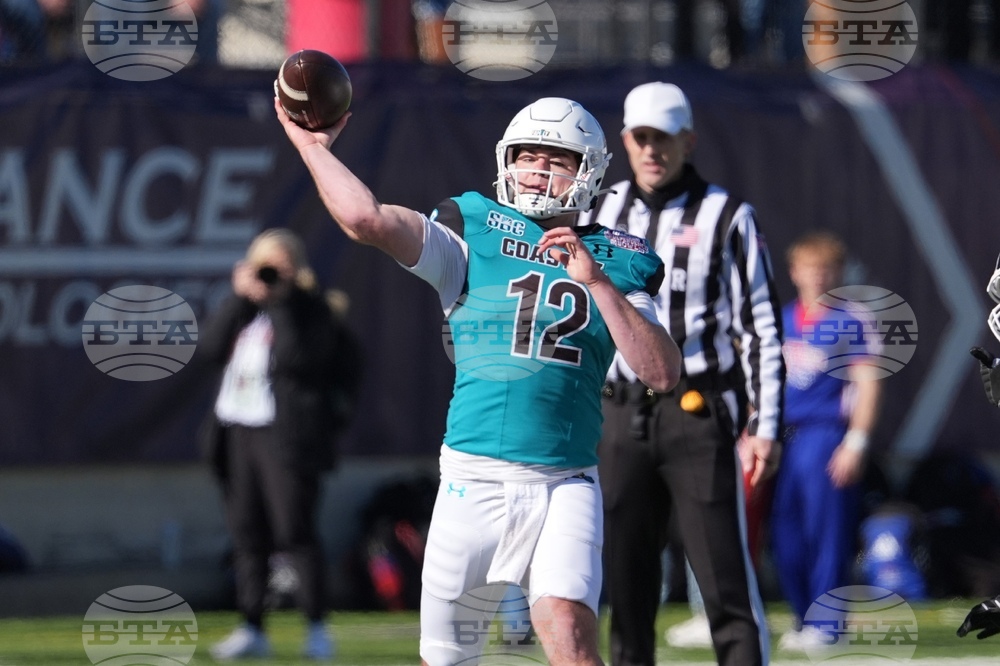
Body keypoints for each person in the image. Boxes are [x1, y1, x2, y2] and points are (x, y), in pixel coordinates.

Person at [274, 93, 681, 666]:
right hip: (472, 479)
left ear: (589, 172)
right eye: (527, 156)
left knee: (569, 634)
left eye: (556, 160)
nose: (537, 170)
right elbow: (368, 219)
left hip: (565, 483)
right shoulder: (473, 228)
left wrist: (599, 285)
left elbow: (662, 372)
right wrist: (313, 149)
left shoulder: (616, 257)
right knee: (446, 657)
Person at [580, 81, 784, 666]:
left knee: (724, 579)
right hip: (618, 410)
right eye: (641, 138)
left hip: (698, 411)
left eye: (663, 138)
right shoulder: (596, 212)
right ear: (625, 141)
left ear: (688, 141)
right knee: (626, 586)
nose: (652, 150)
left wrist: (766, 425)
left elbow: (761, 327)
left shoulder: (729, 215)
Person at [200, 228, 349, 660]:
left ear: (296, 269)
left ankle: (316, 627)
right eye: (262, 265)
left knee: (294, 531)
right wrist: (240, 298)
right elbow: (209, 350)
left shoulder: (312, 311)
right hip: (238, 432)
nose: (268, 275)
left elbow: (296, 358)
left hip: (285, 437)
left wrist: (283, 301)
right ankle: (252, 626)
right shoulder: (244, 312)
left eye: (278, 267)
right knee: (247, 534)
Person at [769, 231, 882, 651]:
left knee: (827, 531)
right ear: (794, 272)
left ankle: (829, 623)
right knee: (785, 532)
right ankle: (804, 616)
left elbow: (868, 384)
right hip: (781, 436)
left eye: (826, 269)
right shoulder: (782, 318)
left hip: (824, 433)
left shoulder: (852, 319)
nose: (817, 276)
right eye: (810, 268)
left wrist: (856, 441)